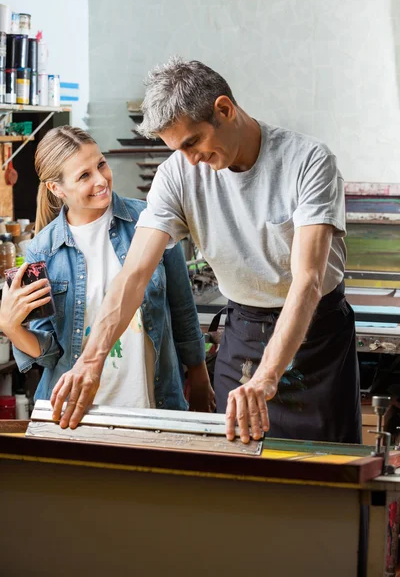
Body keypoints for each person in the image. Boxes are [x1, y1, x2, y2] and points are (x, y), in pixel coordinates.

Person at [50, 58, 361, 445]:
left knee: (326, 477)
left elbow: (308, 282)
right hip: (244, 333)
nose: (191, 159)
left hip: (317, 338)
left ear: (224, 110)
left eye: (193, 142)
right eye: (178, 149)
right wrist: (91, 361)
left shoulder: (308, 162)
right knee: (235, 477)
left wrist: (266, 379)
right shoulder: (177, 174)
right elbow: (133, 276)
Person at [0, 126, 214, 424]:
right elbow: (50, 356)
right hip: (76, 415)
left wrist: (199, 377)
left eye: (100, 164)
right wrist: (11, 327)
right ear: (56, 189)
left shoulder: (150, 221)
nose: (101, 180)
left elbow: (182, 309)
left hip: (153, 405)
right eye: (84, 175)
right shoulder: (41, 251)